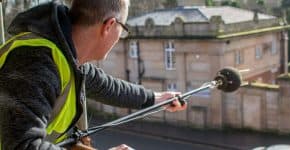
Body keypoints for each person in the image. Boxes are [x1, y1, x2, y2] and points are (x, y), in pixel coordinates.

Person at [0, 0, 187, 149]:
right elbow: (22, 145)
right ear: (109, 25)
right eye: (122, 30)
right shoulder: (36, 61)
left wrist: (157, 99)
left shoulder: (66, 55)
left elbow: (106, 86)